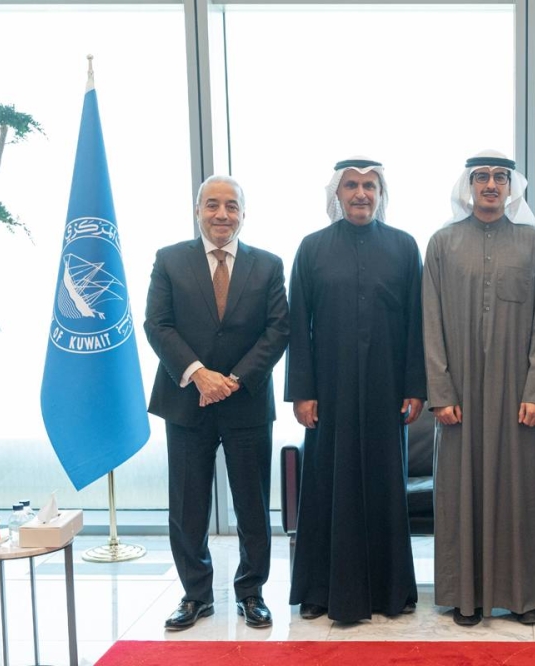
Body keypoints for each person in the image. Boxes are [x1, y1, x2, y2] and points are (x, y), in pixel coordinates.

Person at [145, 175, 290, 630]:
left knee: (252, 505)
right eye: (212, 205)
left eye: (231, 206)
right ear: (197, 211)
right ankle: (196, 595)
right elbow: (157, 324)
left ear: (243, 213)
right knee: (188, 506)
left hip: (246, 401)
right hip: (187, 400)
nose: (221, 214)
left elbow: (278, 329)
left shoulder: (268, 265)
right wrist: (199, 374)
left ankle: (251, 592)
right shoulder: (169, 260)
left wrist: (234, 380)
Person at [285, 157, 426, 623]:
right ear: (337, 193)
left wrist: (415, 387)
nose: (361, 193)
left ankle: (391, 590)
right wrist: (302, 392)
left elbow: (416, 323)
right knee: (328, 485)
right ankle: (320, 590)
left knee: (386, 485)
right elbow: (298, 325)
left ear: (381, 194)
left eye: (369, 185)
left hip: (388, 389)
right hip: (330, 391)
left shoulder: (404, 247)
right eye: (351, 185)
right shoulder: (312, 248)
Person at [422, 150, 535, 626]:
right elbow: (430, 323)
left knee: (523, 492)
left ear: (512, 186)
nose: (491, 185)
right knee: (460, 493)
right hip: (459, 396)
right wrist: (441, 392)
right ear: (469, 185)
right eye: (482, 177)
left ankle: (526, 596)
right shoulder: (442, 244)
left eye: (500, 177)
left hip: (517, 395)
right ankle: (465, 596)